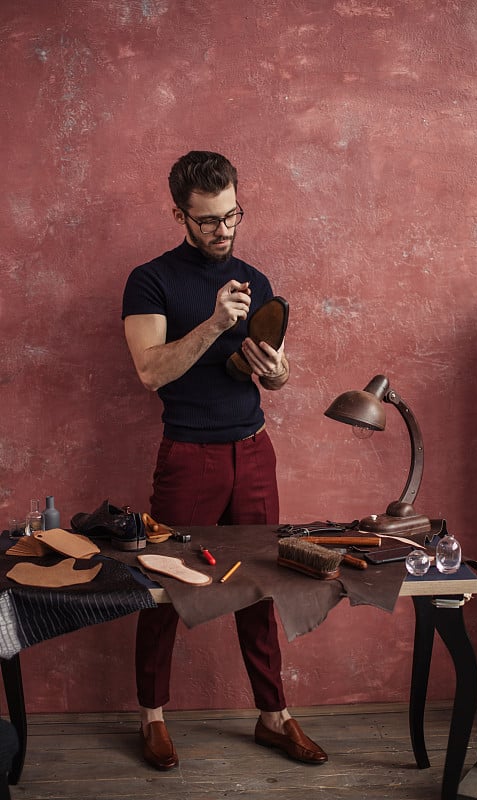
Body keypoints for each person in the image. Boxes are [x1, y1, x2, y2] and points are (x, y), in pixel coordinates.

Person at [122, 150, 327, 771]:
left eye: (232, 215)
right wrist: (214, 324)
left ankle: (273, 715)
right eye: (209, 220)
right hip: (188, 455)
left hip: (253, 451)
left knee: (262, 581)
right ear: (180, 214)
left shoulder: (257, 282)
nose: (224, 230)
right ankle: (153, 718)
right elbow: (150, 371)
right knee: (165, 582)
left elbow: (276, 377)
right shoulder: (149, 280)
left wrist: (280, 371)